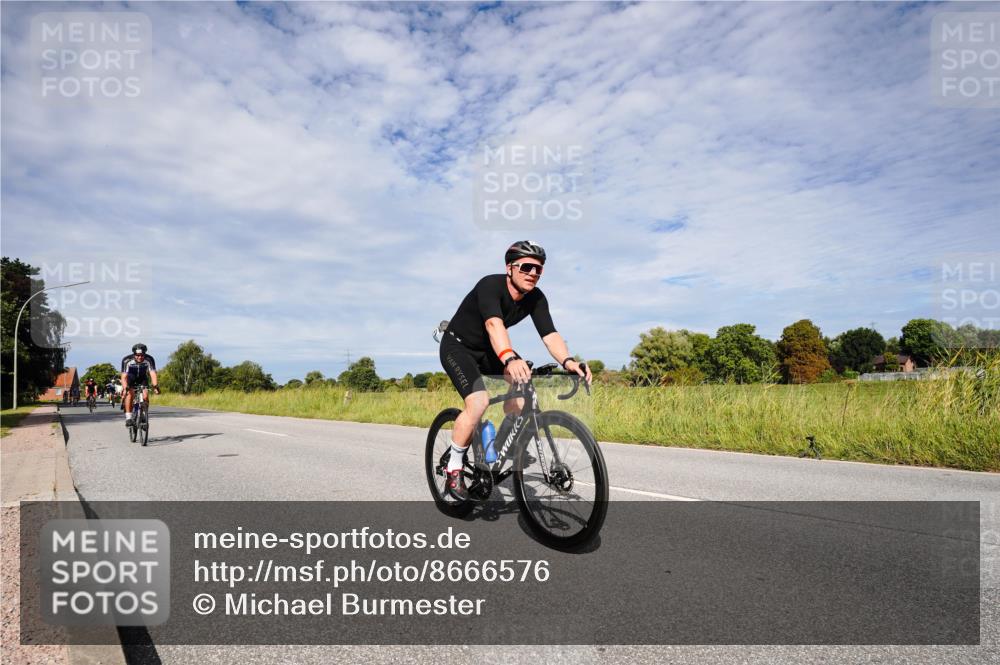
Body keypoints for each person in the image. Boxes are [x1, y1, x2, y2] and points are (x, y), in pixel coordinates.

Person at [439, 241, 591, 500]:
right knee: (479, 402)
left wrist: (568, 361)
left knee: (523, 393)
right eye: (527, 267)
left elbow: (550, 334)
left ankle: (497, 447)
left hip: (490, 350)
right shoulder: (490, 285)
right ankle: (453, 467)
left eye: (539, 269)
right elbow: (493, 323)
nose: (533, 273)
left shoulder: (536, 297)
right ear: (509, 268)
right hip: (459, 347)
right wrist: (509, 357)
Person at [121, 343, 159, 426]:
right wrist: (125, 387)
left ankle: (143, 417)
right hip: (130, 379)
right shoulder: (126, 360)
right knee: (129, 394)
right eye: (137, 355)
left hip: (142, 379)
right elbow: (123, 377)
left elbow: (152, 373)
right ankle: (128, 417)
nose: (140, 357)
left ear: (145, 354)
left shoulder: (149, 359)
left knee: (145, 396)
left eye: (142, 355)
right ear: (134, 354)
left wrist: (155, 386)